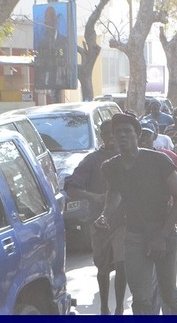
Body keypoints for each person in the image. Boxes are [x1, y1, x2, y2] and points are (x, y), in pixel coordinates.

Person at [97, 112, 177, 315]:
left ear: (137, 135)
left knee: (168, 294)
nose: (122, 136)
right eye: (117, 132)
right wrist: (105, 214)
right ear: (112, 137)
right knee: (141, 298)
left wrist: (162, 236)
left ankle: (176, 304)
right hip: (134, 235)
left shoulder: (159, 160)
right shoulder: (110, 167)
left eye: (127, 131)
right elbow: (113, 193)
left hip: (163, 230)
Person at [64, 120, 126, 315]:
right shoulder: (92, 160)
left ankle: (120, 307)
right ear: (102, 137)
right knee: (102, 268)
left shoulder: (129, 157)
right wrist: (93, 197)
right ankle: (105, 308)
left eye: (115, 134)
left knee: (122, 263)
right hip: (98, 221)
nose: (112, 138)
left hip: (124, 220)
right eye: (107, 135)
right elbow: (71, 187)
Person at [35, 5, 70, 88]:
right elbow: (40, 66)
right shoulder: (42, 44)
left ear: (56, 22)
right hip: (47, 83)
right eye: (46, 22)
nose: (47, 25)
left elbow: (65, 58)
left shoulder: (65, 41)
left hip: (62, 81)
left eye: (50, 20)